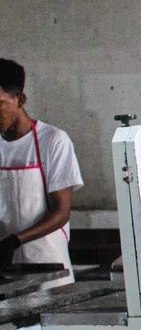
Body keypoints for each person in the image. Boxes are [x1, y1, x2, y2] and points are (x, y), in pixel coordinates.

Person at [0, 58, 83, 288]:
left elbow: (61, 211)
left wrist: (15, 242)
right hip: (7, 269)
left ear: (20, 99)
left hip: (49, 267)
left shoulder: (53, 141)